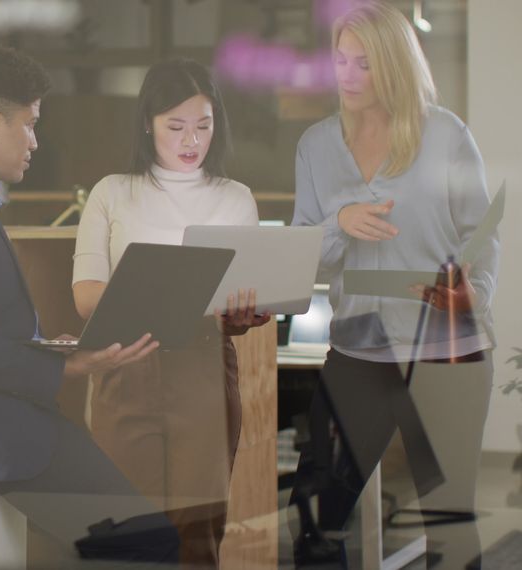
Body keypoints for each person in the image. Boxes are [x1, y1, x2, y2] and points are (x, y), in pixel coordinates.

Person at [0, 45, 179, 565]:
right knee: (147, 541)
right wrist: (70, 365)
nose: (36, 142)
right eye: (30, 124)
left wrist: (46, 349)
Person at [290, 2, 499, 567]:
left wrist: (475, 288)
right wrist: (338, 224)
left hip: (447, 353)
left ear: (397, 65)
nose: (349, 75)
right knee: (315, 519)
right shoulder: (315, 146)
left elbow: (482, 234)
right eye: (341, 61)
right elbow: (301, 255)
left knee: (449, 530)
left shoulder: (447, 134)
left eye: (366, 63)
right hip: (359, 353)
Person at [72, 58, 270, 568]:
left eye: (203, 126)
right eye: (176, 126)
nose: (191, 141)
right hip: (126, 365)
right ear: (147, 123)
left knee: (197, 529)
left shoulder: (235, 199)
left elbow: (237, 303)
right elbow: (87, 296)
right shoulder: (112, 192)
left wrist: (245, 311)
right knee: (125, 527)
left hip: (201, 369)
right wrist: (164, 294)